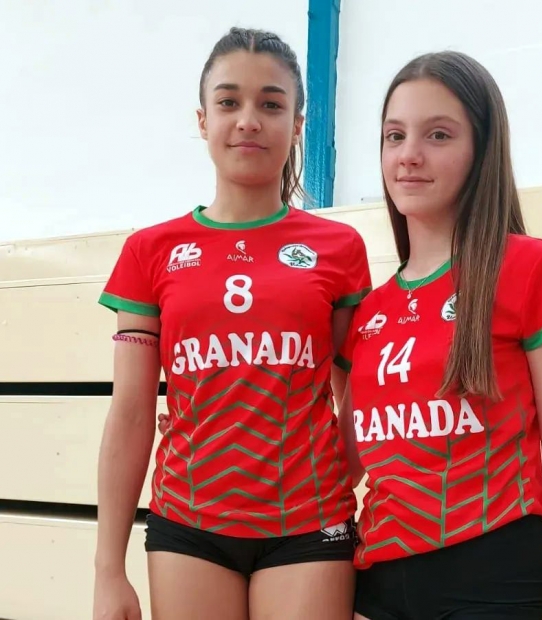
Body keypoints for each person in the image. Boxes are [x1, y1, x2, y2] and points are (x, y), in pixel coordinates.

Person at [93, 27, 371, 620]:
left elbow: (360, 401)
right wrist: (107, 569)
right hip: (190, 526)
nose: (249, 119)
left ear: (297, 124)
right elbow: (133, 413)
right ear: (202, 120)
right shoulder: (151, 251)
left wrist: (317, 484)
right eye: (229, 102)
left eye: (271, 104)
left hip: (309, 525)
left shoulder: (339, 247)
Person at [335, 51, 542, 620]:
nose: (409, 155)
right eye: (394, 135)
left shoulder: (530, 267)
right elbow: (349, 461)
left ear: (482, 149)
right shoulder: (369, 311)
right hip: (377, 585)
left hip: (495, 581)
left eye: (438, 135)